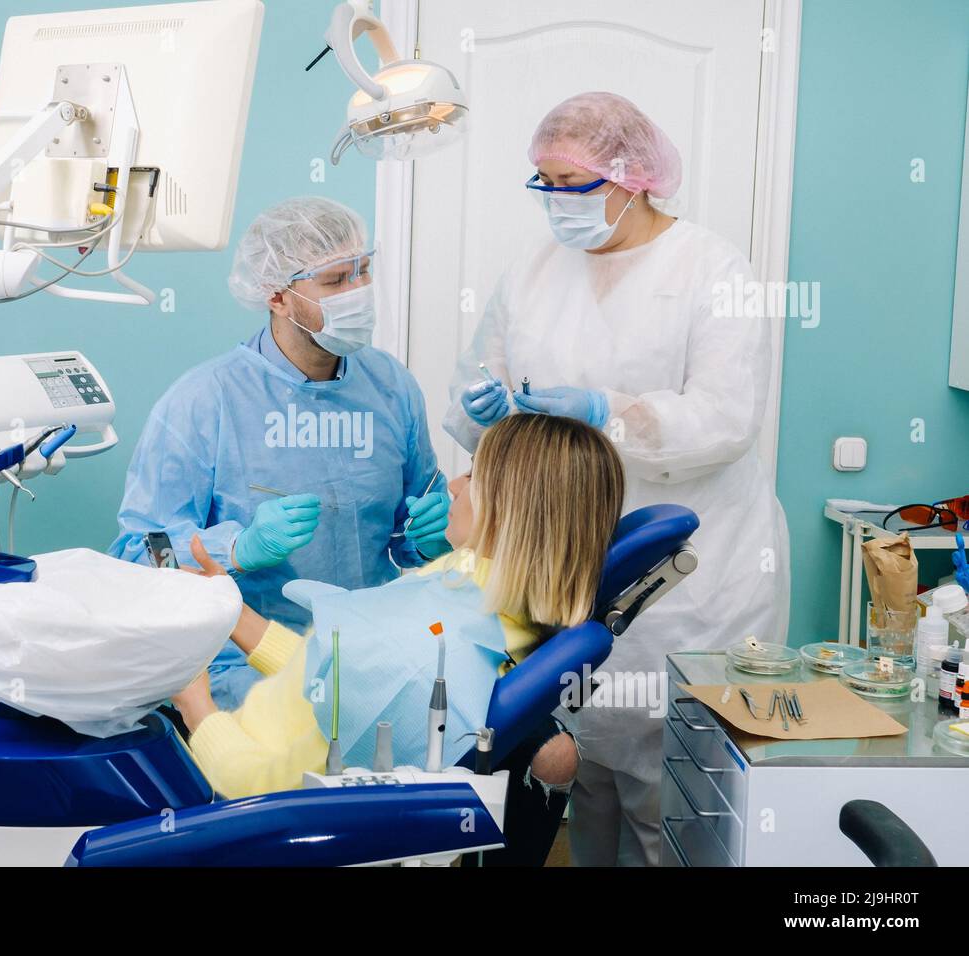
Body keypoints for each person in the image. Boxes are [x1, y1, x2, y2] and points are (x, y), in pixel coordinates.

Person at [444, 91, 790, 866]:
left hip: (688, 576)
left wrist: (609, 411)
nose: (554, 201)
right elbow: (479, 398)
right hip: (565, 567)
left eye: (571, 182)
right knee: (584, 771)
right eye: (544, 182)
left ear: (633, 177)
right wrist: (479, 411)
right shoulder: (533, 270)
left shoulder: (710, 268)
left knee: (670, 787)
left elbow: (728, 418)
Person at [171, 414, 624, 825]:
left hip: (241, 783)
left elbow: (271, 792)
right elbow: (341, 675)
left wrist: (197, 710)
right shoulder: (481, 599)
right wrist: (232, 612)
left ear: (507, 507)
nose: (454, 484)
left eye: (474, 472)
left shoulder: (423, 653)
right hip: (263, 731)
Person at [110, 197, 449, 711]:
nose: (358, 293)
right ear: (277, 295)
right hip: (248, 667)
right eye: (336, 281)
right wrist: (238, 550)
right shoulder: (205, 401)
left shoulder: (392, 387)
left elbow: (412, 529)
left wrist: (428, 539)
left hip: (371, 650)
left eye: (364, 272)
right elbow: (141, 553)